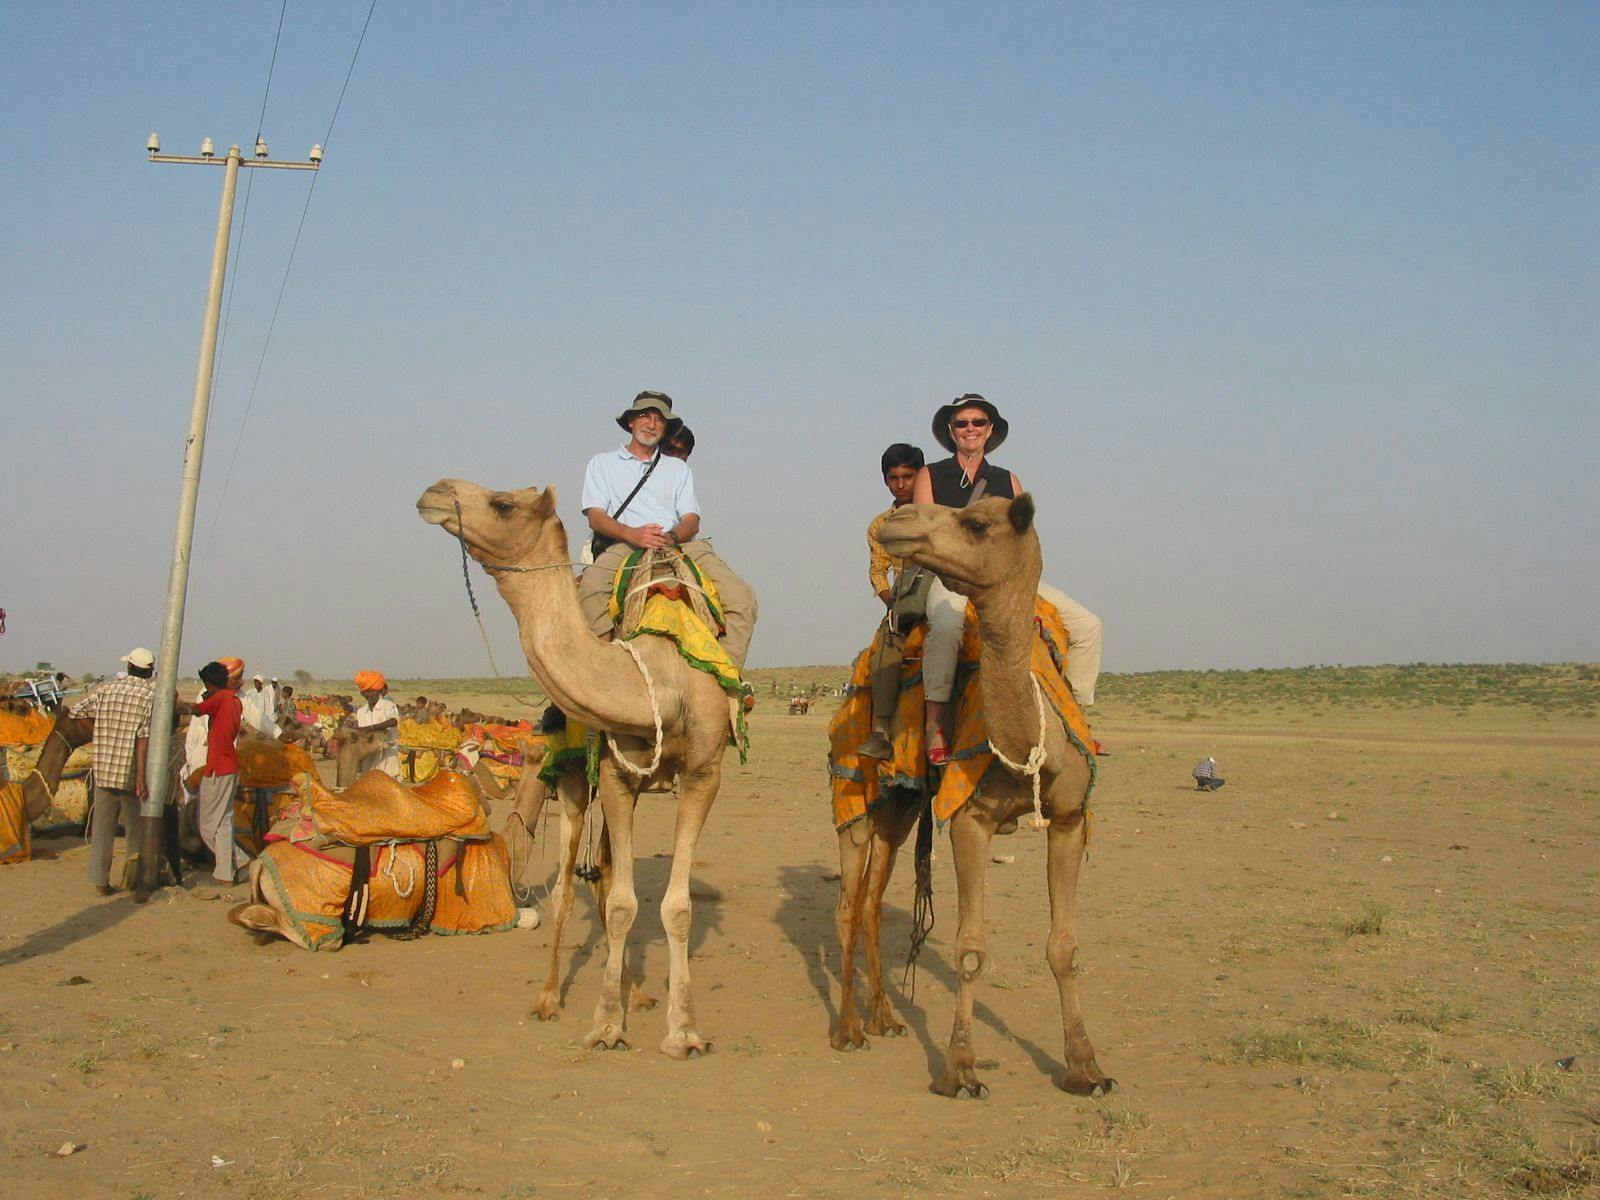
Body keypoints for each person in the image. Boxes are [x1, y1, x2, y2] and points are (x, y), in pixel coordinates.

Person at [912, 394, 1104, 764]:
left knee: (1088, 626)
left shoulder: (1006, 480)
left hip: (1004, 581)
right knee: (948, 627)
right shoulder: (931, 475)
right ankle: (934, 724)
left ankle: (1075, 719)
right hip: (952, 577)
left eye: (978, 422)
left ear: (990, 430)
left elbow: (1023, 542)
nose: (970, 429)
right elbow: (925, 532)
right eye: (962, 423)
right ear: (951, 431)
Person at [577, 390, 758, 669]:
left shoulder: (678, 469)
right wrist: (633, 534)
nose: (651, 424)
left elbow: (691, 519)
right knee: (591, 590)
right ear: (630, 422)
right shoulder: (602, 463)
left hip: (678, 544)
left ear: (665, 428)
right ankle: (605, 668)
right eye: (644, 416)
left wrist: (672, 536)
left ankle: (726, 675)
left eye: (659, 420)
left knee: (742, 597)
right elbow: (596, 517)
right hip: (626, 544)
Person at [69, 648, 157, 896]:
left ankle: (100, 881)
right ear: (150, 672)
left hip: (104, 769)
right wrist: (141, 777)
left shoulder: (107, 689)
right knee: (135, 829)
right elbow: (143, 738)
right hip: (129, 772)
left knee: (102, 828)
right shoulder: (149, 696)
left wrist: (98, 732)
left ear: (129, 668)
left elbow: (76, 712)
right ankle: (134, 880)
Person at [859, 443, 925, 760]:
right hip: (904, 597)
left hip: (944, 588)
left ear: (920, 476)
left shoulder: (937, 513)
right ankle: (881, 731)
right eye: (894, 478)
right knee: (886, 648)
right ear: (885, 480)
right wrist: (893, 605)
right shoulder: (880, 525)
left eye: (908, 477)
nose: (901, 484)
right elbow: (878, 572)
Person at [192, 660, 246, 886]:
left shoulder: (220, 698)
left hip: (218, 767)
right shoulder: (234, 700)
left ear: (209, 683)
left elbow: (196, 710)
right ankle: (227, 872)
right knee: (224, 822)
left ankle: (237, 861)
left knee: (206, 826)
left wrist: (173, 703)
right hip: (229, 766)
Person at [353, 670, 400, 777]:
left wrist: (371, 728)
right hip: (369, 757)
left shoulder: (389, 705)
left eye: (374, 691)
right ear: (362, 694)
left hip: (387, 756)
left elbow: (393, 721)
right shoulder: (361, 711)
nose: (371, 694)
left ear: (380, 691)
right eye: (367, 692)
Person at [241, 674, 279, 738]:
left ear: (261, 683)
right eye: (255, 682)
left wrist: (271, 720)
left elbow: (269, 707)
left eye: (258, 682)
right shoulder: (249, 693)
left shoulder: (266, 693)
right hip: (253, 719)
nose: (256, 684)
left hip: (264, 719)